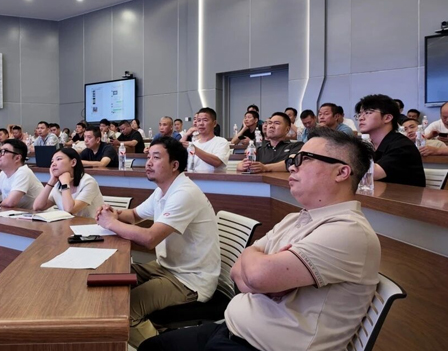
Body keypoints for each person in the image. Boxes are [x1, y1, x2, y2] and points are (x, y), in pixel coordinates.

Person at [140, 128, 381, 351]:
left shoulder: (348, 230)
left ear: (341, 172)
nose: (292, 167)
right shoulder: (296, 218)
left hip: (262, 346)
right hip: (233, 329)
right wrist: (259, 273)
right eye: (292, 160)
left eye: (303, 159)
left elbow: (255, 276)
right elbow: (238, 272)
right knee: (150, 347)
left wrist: (258, 272)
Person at [96, 137, 220, 348]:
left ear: (174, 165)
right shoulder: (163, 190)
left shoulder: (184, 193)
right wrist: (113, 212)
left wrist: (111, 223)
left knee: (124, 310)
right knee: (111, 276)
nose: (149, 163)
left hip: (190, 280)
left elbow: (150, 239)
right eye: (148, 157)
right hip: (166, 267)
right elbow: (134, 215)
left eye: (156, 157)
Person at [354, 94, 425, 187]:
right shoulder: (367, 144)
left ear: (387, 118)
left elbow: (372, 173)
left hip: (404, 195)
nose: (361, 118)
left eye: (368, 113)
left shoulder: (402, 145)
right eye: (359, 114)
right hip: (379, 193)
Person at [33, 147, 104, 217]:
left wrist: (65, 184)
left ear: (73, 162)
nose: (53, 164)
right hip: (68, 223)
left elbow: (70, 210)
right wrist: (51, 181)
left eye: (58, 159)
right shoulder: (58, 184)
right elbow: (37, 207)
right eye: (52, 161)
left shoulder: (88, 182)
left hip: (91, 224)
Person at [237, 112, 303, 173]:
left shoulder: (296, 146)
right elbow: (242, 164)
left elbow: (291, 162)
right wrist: (242, 166)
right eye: (270, 123)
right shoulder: (260, 149)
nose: (271, 126)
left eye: (277, 123)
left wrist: (265, 168)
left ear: (287, 129)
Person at [182, 108, 230, 173]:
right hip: (193, 178)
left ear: (214, 123)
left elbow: (217, 162)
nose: (201, 123)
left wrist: (194, 149)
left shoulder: (221, 142)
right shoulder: (194, 144)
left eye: (205, 120)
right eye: (199, 120)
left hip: (214, 179)